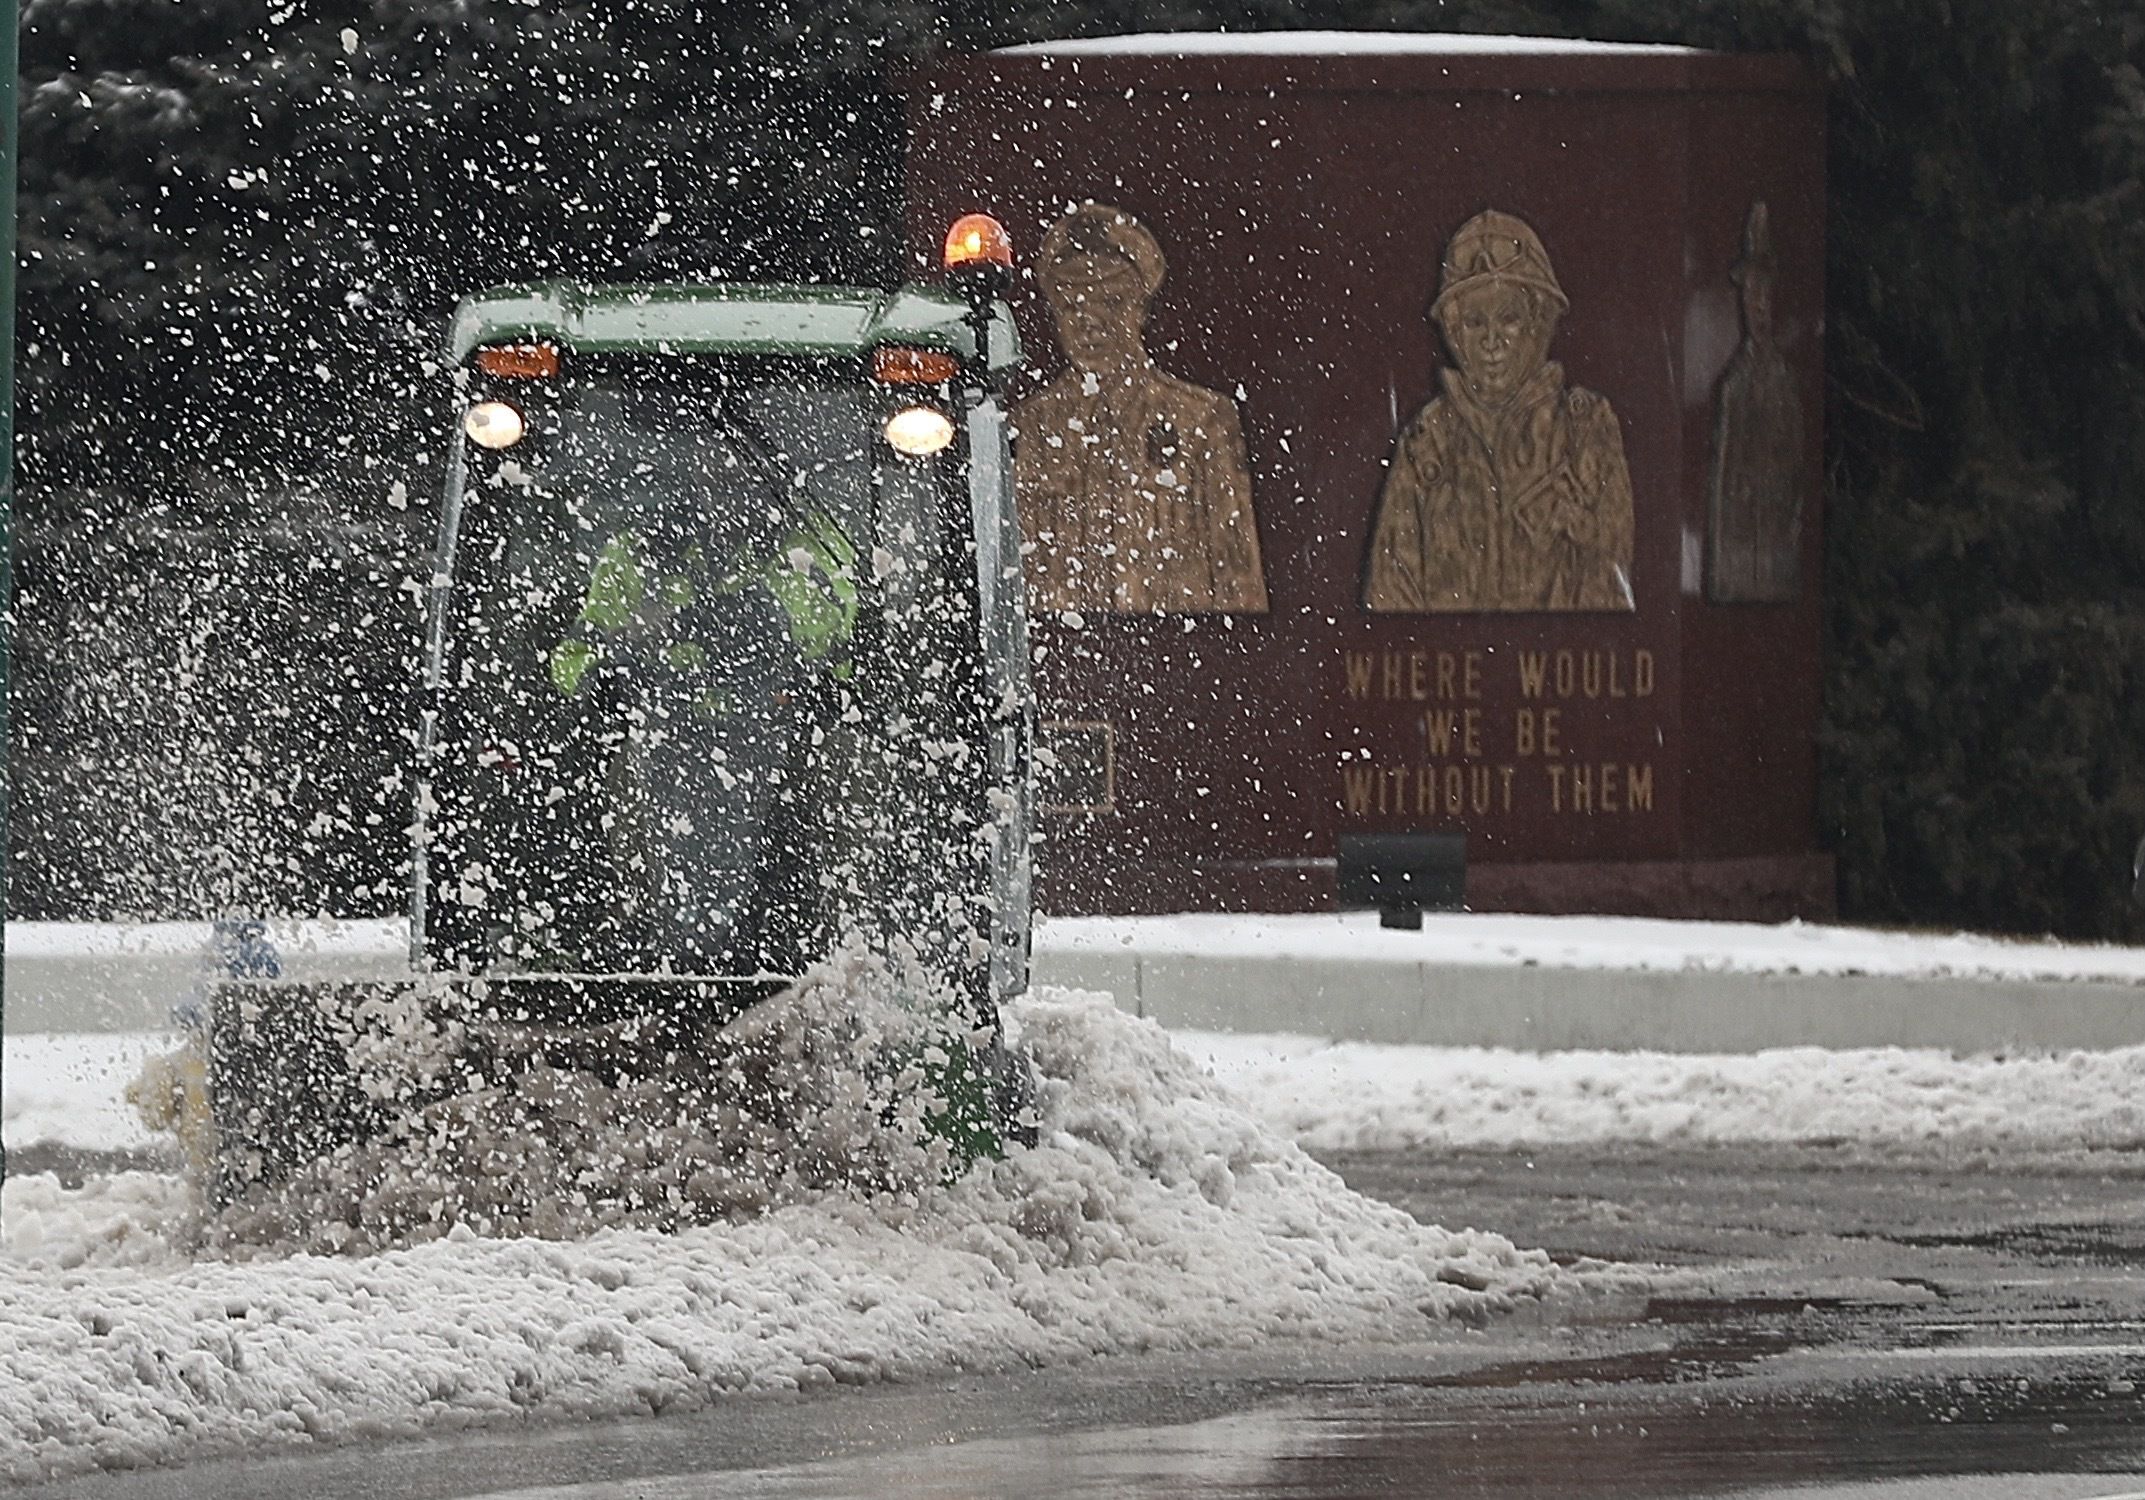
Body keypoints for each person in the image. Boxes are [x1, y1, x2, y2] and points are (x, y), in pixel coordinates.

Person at [548, 513, 857, 969]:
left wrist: (756, 630)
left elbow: (839, 653)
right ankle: (626, 939)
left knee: (847, 781)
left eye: (741, 464)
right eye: (712, 458)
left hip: (781, 734)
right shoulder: (635, 553)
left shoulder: (813, 548)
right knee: (615, 787)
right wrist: (626, 643)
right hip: (667, 736)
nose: (725, 473)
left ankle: (829, 948)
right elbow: (570, 665)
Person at [1364, 210, 1635, 613]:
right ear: (1453, 333)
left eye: (1509, 318)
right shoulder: (1428, 442)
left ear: (1537, 323)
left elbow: (1610, 581)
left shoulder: (1584, 431)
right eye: (1475, 322)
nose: (1492, 341)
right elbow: (1391, 589)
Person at [1013, 204, 1268, 614]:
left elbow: (1239, 582)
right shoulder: (1030, 427)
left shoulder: (1201, 421)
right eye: (1071, 306)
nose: (1089, 322)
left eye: (1110, 302)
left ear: (1142, 309)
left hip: (1184, 661)